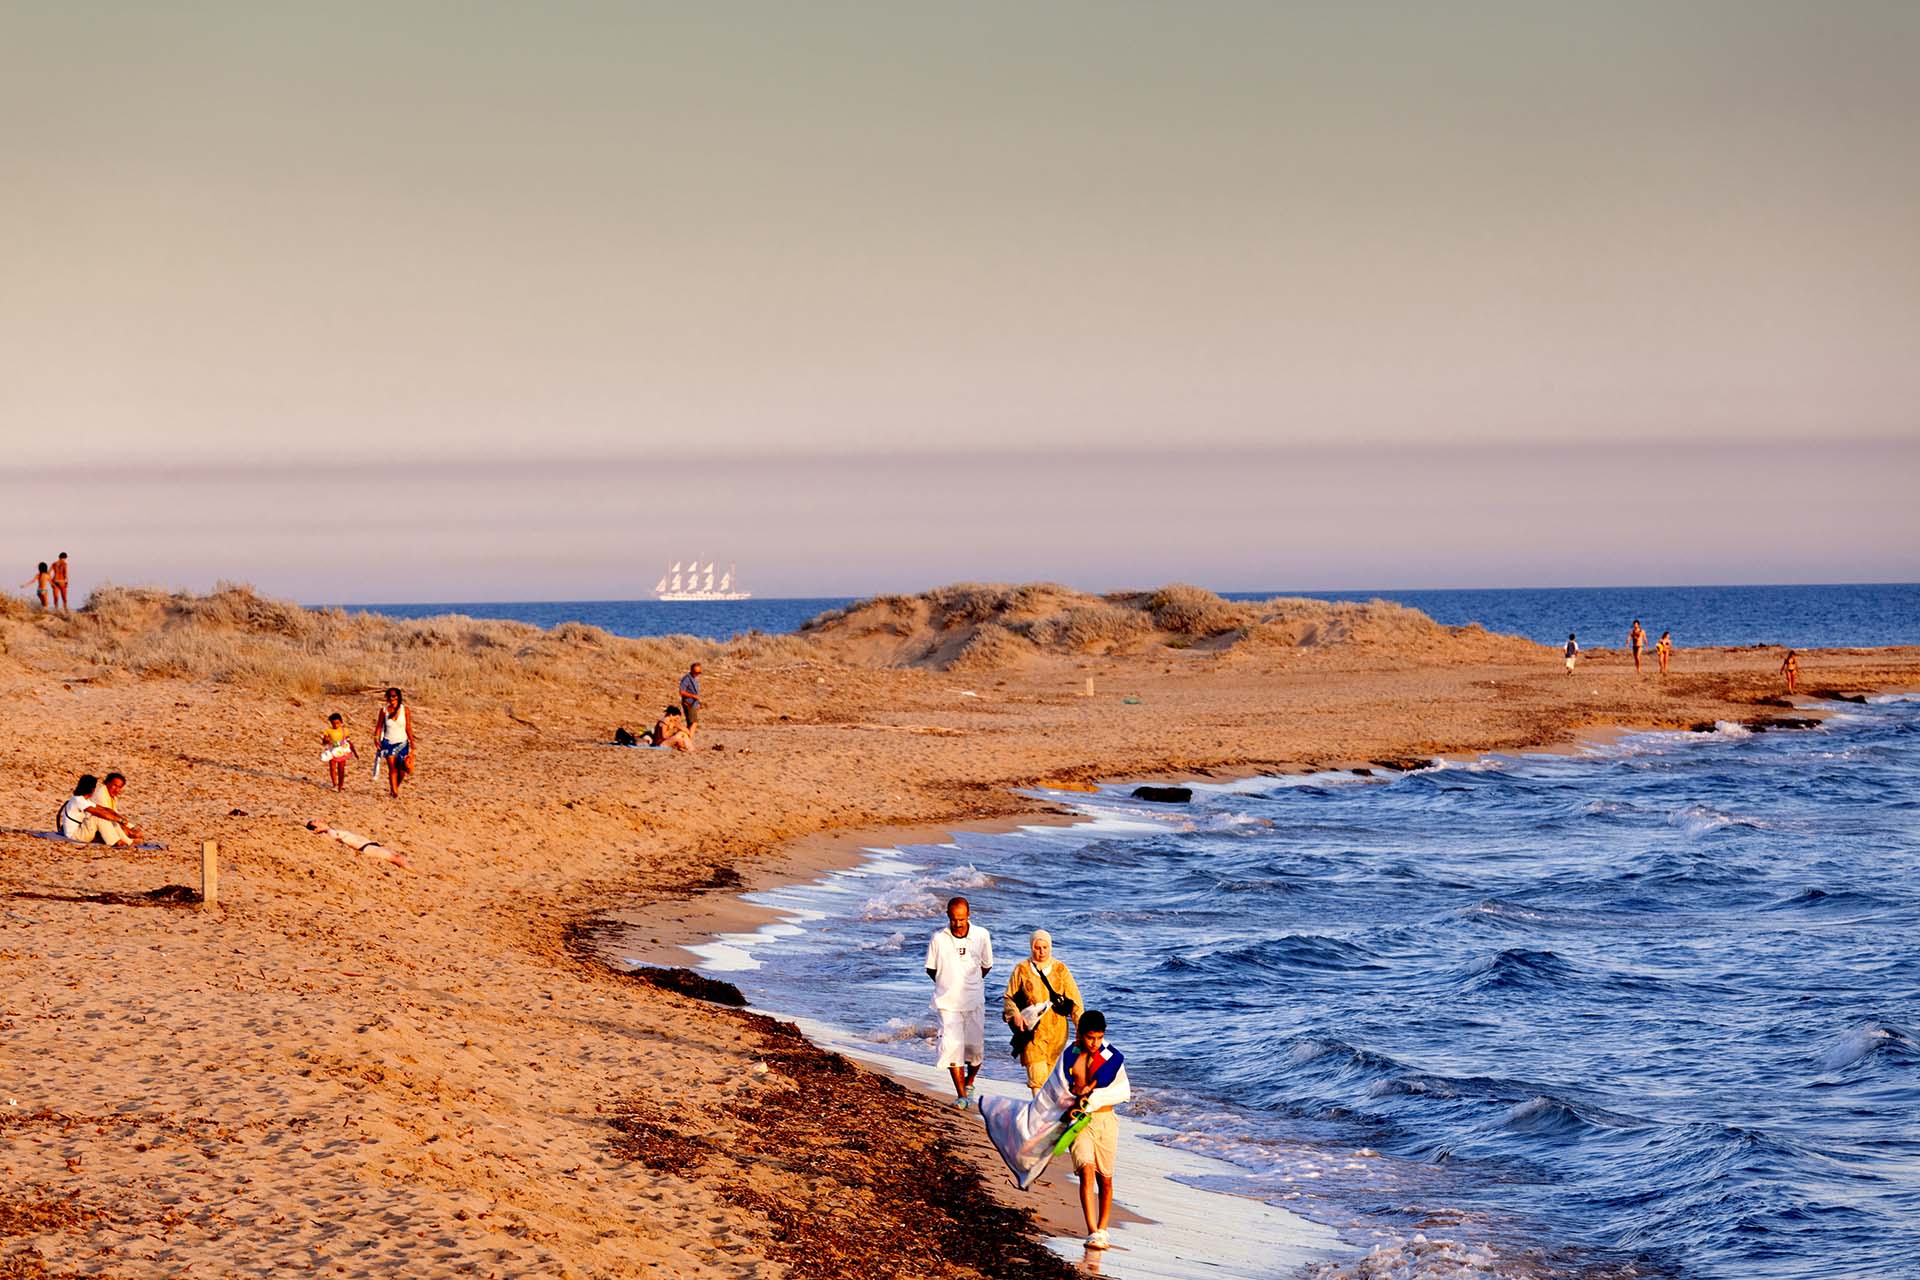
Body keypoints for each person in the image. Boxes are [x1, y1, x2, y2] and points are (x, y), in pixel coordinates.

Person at [1065, 1010, 1126, 1250]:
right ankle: (1092, 1231)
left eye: (1099, 1038)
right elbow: (1061, 1084)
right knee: (1087, 1172)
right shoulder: (1070, 1054)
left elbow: (1118, 1087)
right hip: (1080, 1121)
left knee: (1106, 1179)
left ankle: (1103, 1229)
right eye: (1091, 1037)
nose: (1095, 1043)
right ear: (1080, 1034)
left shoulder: (1110, 1055)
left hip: (1105, 1120)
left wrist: (1090, 1087)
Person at [925, 895, 993, 1108]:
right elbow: (931, 969)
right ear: (948, 917)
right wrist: (949, 983)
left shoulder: (982, 935)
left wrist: (969, 984)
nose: (958, 924)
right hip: (947, 1003)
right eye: (954, 919)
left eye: (962, 919)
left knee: (974, 1050)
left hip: (974, 1000)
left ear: (969, 916)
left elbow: (987, 965)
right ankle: (962, 1096)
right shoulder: (938, 938)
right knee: (952, 1047)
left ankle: (970, 1082)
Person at [1003, 929, 1083, 1093]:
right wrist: (1015, 1015)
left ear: (1050, 947)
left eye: (1045, 947)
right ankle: (1039, 1115)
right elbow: (1009, 997)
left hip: (1057, 1034)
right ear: (1031, 947)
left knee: (1052, 1079)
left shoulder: (1060, 969)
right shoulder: (1022, 969)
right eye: (1037, 948)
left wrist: (1080, 1029)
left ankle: (1049, 1114)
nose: (1041, 952)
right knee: (1037, 1077)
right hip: (1032, 1032)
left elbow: (1076, 1002)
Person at [59, 772, 143, 846]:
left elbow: (104, 809)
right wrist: (120, 820)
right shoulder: (78, 800)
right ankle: (116, 842)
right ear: (92, 789)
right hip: (75, 836)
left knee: (107, 817)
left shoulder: (84, 800)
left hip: (81, 832)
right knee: (99, 817)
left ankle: (127, 842)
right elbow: (98, 812)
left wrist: (120, 819)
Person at [306, 820, 413, 870]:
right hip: (366, 848)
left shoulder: (332, 830)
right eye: (316, 822)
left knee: (398, 858)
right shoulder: (330, 833)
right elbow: (341, 842)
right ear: (317, 829)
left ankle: (415, 872)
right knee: (397, 858)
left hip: (369, 845)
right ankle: (416, 873)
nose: (320, 821)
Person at [374, 687, 414, 797]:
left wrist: (412, 743)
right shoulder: (384, 711)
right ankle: (394, 792)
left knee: (402, 770)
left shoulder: (404, 710)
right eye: (390, 696)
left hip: (402, 743)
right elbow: (379, 726)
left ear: (398, 697)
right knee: (392, 768)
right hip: (388, 742)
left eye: (394, 696)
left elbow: (408, 728)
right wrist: (376, 739)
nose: (392, 698)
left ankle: (394, 787)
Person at [320, 713, 356, 790]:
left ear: (341, 722)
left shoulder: (345, 731)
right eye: (333, 723)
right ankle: (334, 784)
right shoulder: (328, 731)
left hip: (342, 751)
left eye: (337, 723)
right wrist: (325, 740)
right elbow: (324, 742)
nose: (336, 725)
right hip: (332, 750)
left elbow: (349, 741)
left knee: (341, 768)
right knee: (332, 767)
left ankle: (341, 785)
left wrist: (354, 751)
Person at [679, 662, 703, 729]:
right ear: (691, 670)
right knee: (693, 723)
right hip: (689, 703)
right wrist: (692, 696)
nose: (697, 674)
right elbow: (681, 692)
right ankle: (689, 737)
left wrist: (697, 704)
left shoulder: (694, 679)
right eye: (696, 672)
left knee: (691, 723)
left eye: (699, 672)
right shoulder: (687, 679)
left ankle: (687, 737)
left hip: (693, 704)